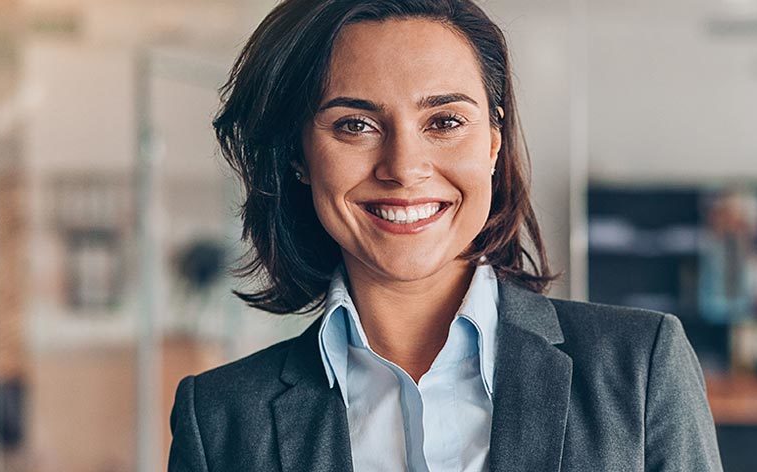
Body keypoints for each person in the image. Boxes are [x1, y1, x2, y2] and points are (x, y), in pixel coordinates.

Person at [165, 0, 722, 470]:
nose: (404, 168)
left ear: (493, 141)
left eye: (445, 121)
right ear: (298, 158)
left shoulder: (639, 370)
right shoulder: (220, 421)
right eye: (355, 125)